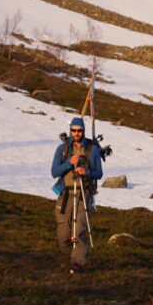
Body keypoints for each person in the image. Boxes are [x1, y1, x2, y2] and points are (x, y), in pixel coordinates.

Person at [50, 115, 103, 273]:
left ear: (83, 131)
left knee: (78, 230)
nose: (76, 133)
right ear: (70, 131)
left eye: (79, 130)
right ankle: (72, 257)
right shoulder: (63, 149)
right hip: (65, 193)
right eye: (73, 130)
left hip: (83, 194)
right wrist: (69, 163)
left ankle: (78, 263)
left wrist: (85, 171)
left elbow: (99, 173)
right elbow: (54, 172)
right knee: (63, 234)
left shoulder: (92, 150)